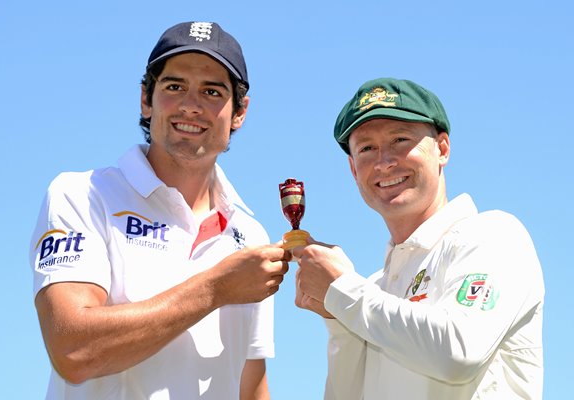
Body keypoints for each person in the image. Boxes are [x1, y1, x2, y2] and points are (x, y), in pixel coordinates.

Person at [29, 21, 290, 399]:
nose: (190, 105)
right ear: (145, 99)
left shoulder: (249, 236)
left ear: (240, 112)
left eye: (212, 91)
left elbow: (249, 384)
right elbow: (73, 351)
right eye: (174, 87)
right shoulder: (82, 195)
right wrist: (216, 288)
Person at [294, 78, 544, 399]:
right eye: (367, 148)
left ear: (442, 149)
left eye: (400, 139)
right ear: (353, 169)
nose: (384, 162)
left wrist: (343, 290)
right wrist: (337, 318)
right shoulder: (375, 288)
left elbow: (459, 351)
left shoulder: (495, 235)